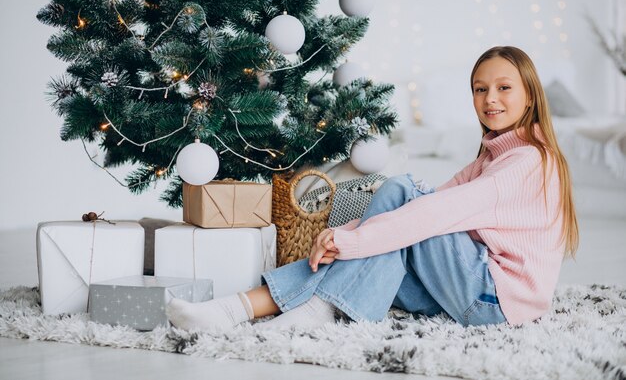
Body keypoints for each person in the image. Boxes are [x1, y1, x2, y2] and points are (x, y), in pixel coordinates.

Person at [166, 46, 579, 330]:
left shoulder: (526, 162)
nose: (490, 99)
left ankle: (306, 309)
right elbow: (429, 207)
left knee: (400, 192)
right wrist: (345, 236)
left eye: (504, 87)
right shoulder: (492, 157)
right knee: (392, 230)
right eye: (480, 88)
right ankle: (233, 310)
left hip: (494, 303)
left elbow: (434, 213)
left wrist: (350, 240)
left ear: (529, 96)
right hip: (471, 294)